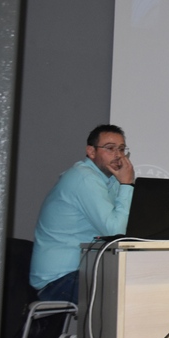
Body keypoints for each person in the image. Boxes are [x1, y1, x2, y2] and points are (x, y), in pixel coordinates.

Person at [30, 124, 135, 304]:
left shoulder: (111, 180)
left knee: (142, 284)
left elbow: (128, 225)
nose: (118, 155)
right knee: (127, 296)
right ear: (91, 151)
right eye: (110, 148)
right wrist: (127, 184)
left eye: (121, 149)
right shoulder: (84, 178)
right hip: (59, 279)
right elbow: (116, 232)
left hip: (84, 271)